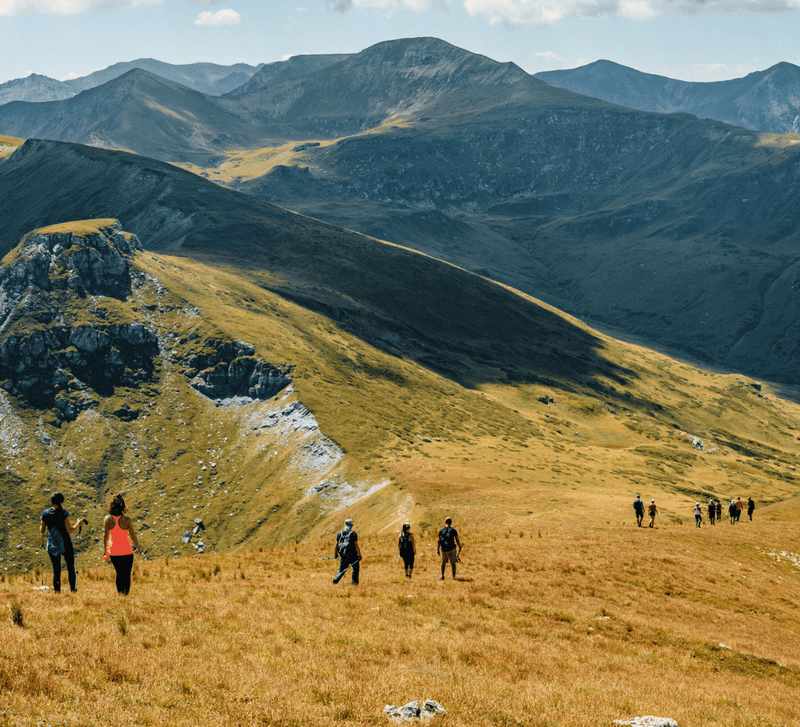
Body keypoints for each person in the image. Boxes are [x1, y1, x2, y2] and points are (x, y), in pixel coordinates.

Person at [40, 491, 86, 593]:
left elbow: (42, 530)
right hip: (66, 543)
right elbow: (69, 530)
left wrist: (43, 523)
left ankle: (57, 592)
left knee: (56, 570)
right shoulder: (64, 513)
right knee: (70, 567)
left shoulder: (45, 513)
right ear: (61, 501)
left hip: (52, 544)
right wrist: (78, 524)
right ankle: (73, 589)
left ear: (51, 501)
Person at [103, 493, 141, 595]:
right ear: (123, 506)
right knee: (126, 574)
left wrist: (105, 551)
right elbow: (133, 536)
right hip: (127, 551)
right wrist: (138, 547)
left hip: (114, 552)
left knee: (119, 573)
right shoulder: (127, 519)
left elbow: (105, 537)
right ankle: (126, 594)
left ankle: (120, 594)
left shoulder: (107, 520)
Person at [333, 518, 362, 585]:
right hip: (353, 554)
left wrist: (336, 554)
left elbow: (336, 545)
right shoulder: (353, 534)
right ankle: (354, 583)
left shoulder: (339, 533)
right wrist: (359, 555)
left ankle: (336, 580)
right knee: (355, 568)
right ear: (350, 525)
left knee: (342, 569)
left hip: (343, 554)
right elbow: (356, 545)